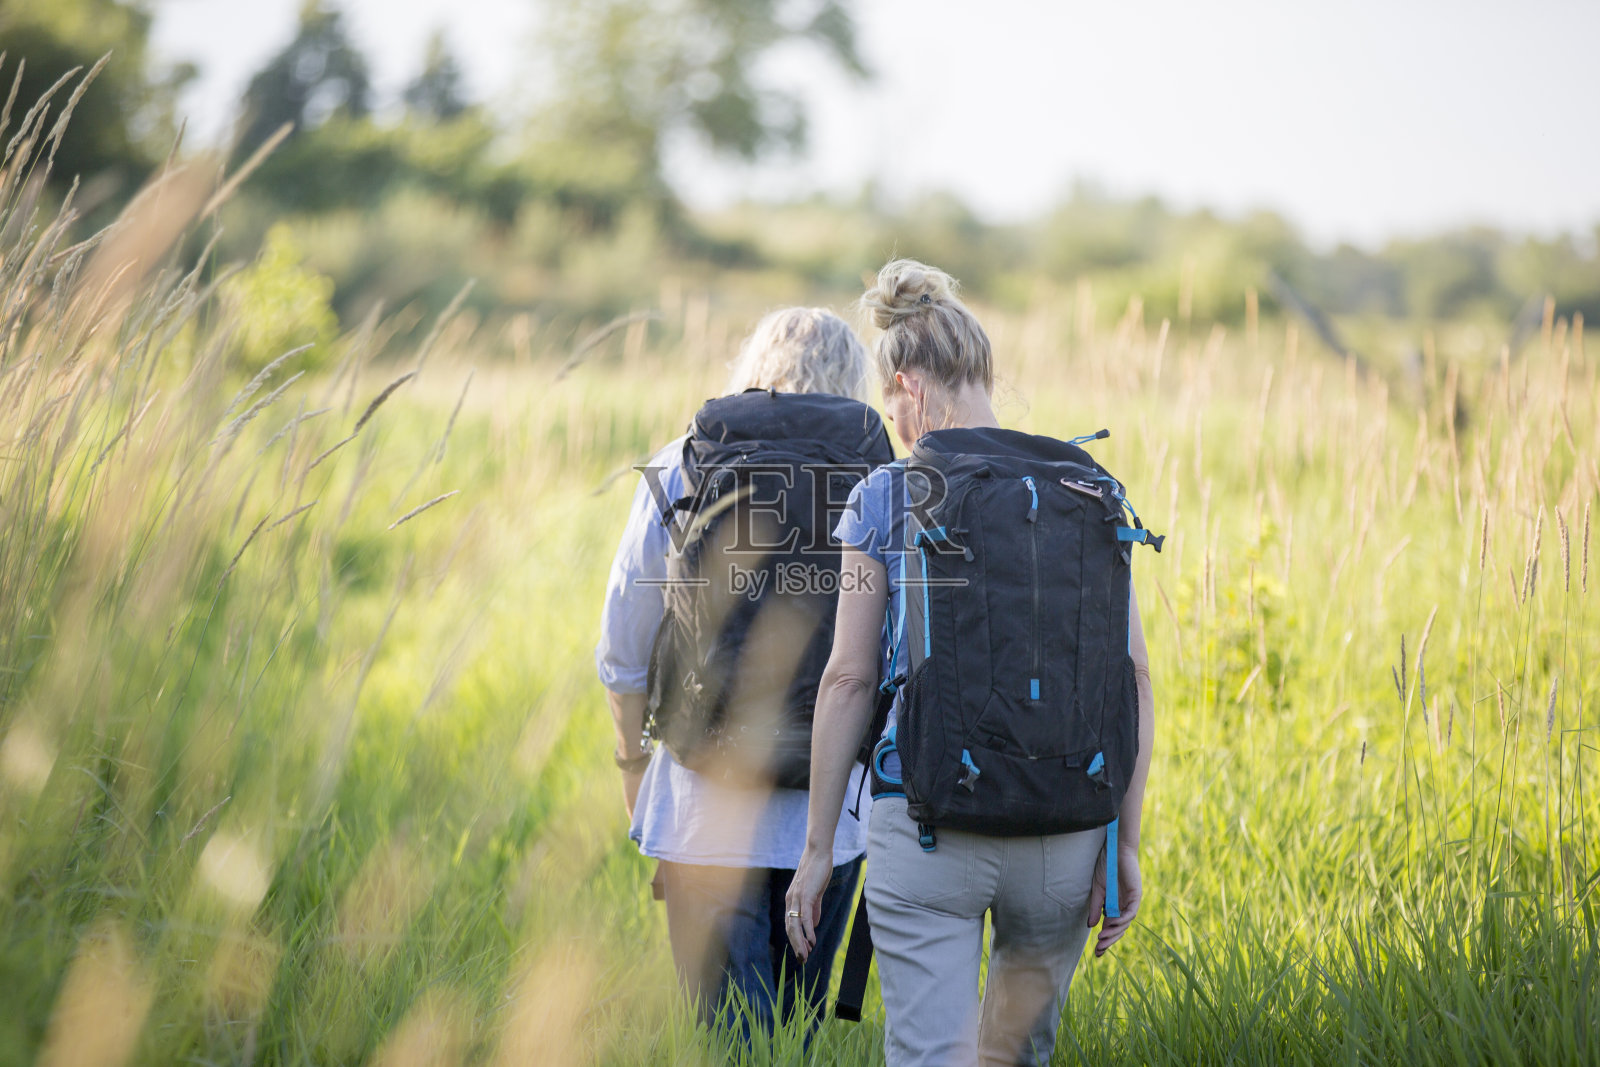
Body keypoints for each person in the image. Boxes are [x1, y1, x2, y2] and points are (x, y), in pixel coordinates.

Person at [785, 260, 1157, 1065]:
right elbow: (1132, 678)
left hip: (926, 825)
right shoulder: (1088, 486)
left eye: (891, 407)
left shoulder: (887, 492)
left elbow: (847, 676)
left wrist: (818, 849)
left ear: (910, 386)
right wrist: (1123, 844)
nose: (894, 426)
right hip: (1064, 828)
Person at [597, 307, 891, 1038]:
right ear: (853, 381)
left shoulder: (683, 460)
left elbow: (622, 650)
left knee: (733, 1039)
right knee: (796, 1035)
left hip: (702, 809)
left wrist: (637, 780)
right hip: (833, 819)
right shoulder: (883, 478)